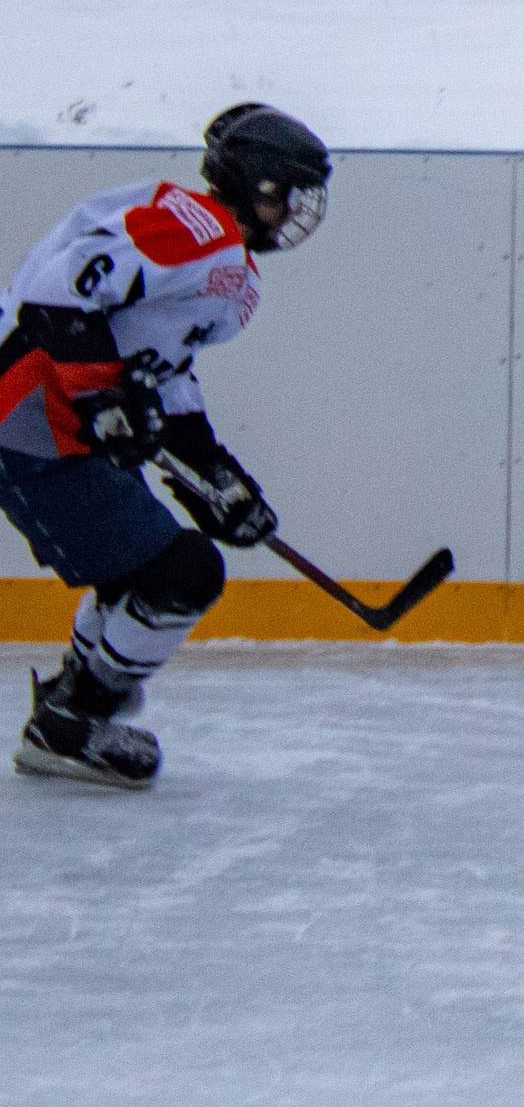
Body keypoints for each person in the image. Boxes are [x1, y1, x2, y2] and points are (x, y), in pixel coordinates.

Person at [0, 104, 332, 787]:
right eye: (292, 193)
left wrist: (216, 475)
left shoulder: (227, 268)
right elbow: (54, 298)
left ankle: (71, 708)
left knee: (140, 577)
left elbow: (166, 372)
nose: (298, 211)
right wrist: (106, 401)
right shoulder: (195, 228)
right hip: (27, 418)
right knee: (183, 574)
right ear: (261, 184)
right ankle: (68, 728)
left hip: (52, 423)